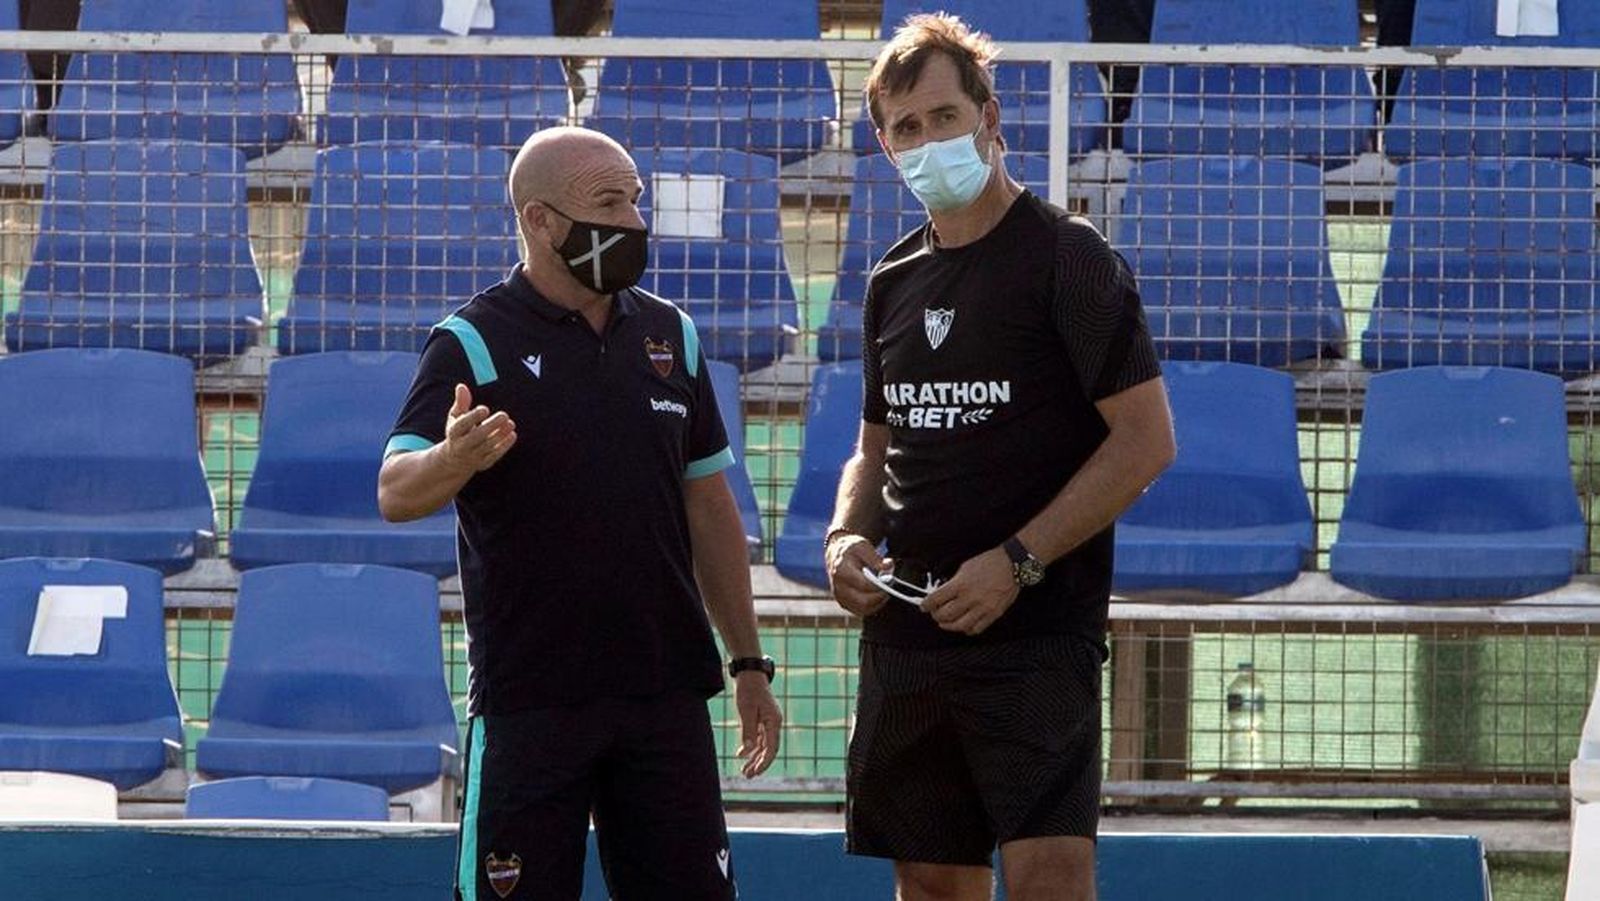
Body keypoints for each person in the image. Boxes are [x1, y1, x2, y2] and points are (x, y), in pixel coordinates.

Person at [379, 125, 782, 901]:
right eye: (608, 202)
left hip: (665, 695)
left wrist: (749, 663)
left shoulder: (673, 336)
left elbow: (709, 507)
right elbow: (397, 490)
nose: (632, 221)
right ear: (539, 221)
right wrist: (454, 458)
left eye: (635, 200)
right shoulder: (471, 341)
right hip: (531, 700)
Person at [825, 14, 1175, 901]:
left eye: (944, 116)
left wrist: (1018, 561)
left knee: (1049, 875)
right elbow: (875, 447)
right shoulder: (890, 281)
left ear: (989, 115)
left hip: (1035, 627)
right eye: (906, 128)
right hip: (910, 627)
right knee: (932, 877)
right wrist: (843, 536)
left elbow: (1146, 442)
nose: (929, 140)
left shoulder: (1070, 257)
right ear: (884, 145)